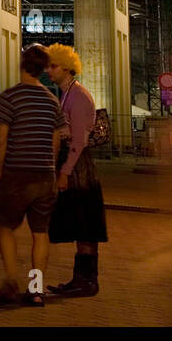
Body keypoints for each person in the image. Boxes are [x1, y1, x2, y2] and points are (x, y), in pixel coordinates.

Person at [0, 44, 64, 307]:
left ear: (22, 65)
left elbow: (1, 140)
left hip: (16, 173)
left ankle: (11, 279)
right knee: (40, 233)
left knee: (7, 227)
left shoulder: (10, 97)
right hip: (45, 175)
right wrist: (51, 171)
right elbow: (55, 143)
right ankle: (36, 290)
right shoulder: (52, 100)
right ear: (44, 69)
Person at [45, 43, 108, 298]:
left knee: (85, 224)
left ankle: (88, 281)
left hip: (79, 166)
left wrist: (65, 172)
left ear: (68, 68)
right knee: (81, 224)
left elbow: (80, 140)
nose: (49, 71)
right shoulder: (67, 93)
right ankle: (81, 279)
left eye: (53, 66)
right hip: (76, 164)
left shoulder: (78, 96)